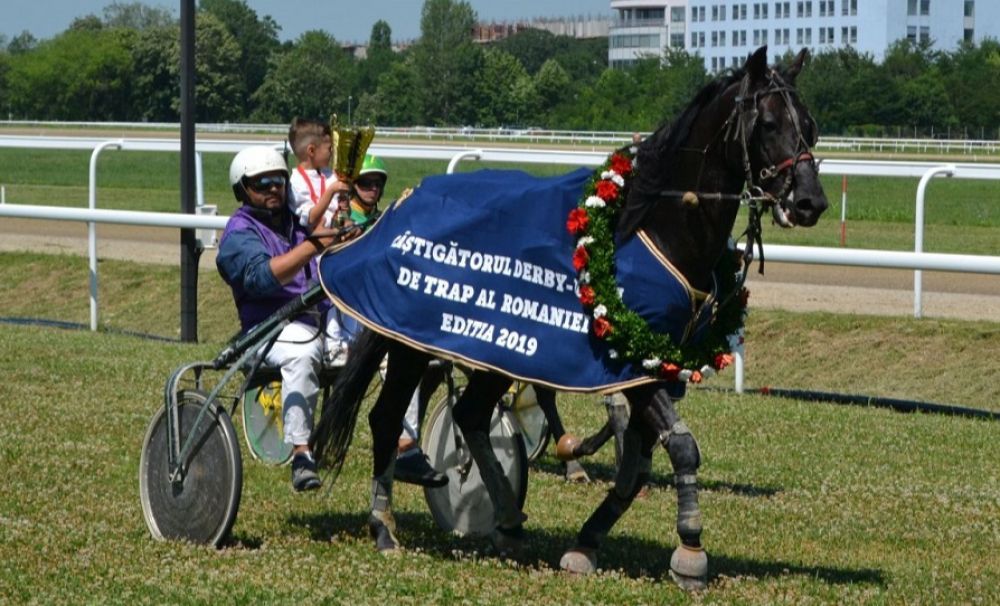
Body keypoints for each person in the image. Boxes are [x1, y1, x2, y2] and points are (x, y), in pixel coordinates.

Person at [216, 145, 352, 492]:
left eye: (279, 181)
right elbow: (262, 279)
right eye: (262, 184)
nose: (274, 188)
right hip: (268, 330)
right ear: (242, 190)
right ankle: (302, 454)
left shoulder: (295, 223)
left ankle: (405, 445)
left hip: (320, 322)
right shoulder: (238, 232)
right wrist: (313, 247)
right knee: (302, 351)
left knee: (384, 336)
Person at [348, 154, 447, 487]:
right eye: (366, 183)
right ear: (352, 185)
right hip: (349, 314)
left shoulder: (386, 219)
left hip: (378, 308)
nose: (373, 189)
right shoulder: (341, 218)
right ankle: (405, 445)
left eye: (378, 183)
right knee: (397, 364)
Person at [286, 117, 355, 365]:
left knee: (346, 291)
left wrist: (345, 216)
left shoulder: (329, 174)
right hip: (312, 253)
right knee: (327, 297)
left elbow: (338, 213)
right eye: (329, 150)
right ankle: (332, 346)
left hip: (335, 246)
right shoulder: (296, 183)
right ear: (311, 151)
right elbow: (311, 218)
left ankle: (349, 341)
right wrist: (331, 192)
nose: (332, 154)